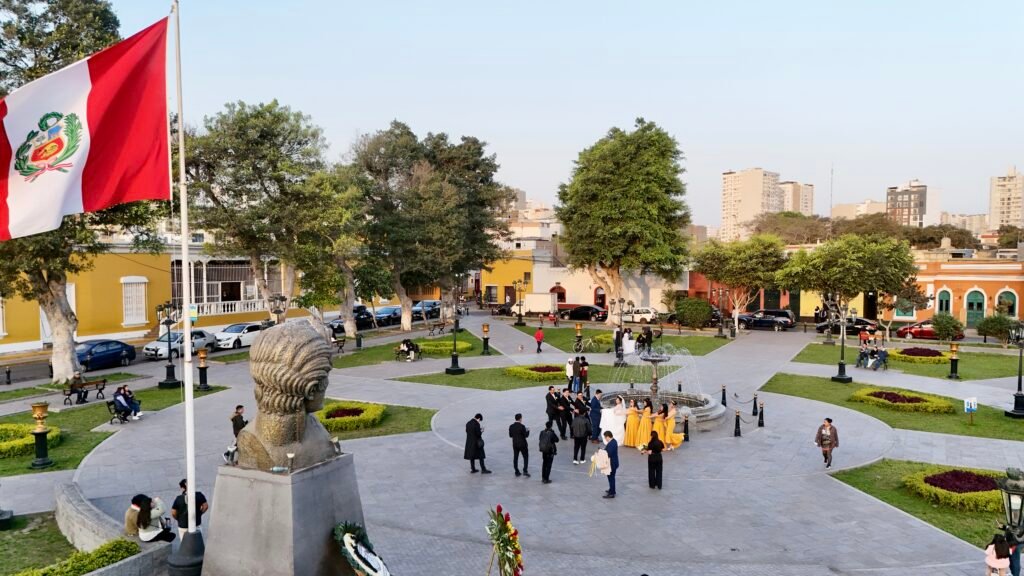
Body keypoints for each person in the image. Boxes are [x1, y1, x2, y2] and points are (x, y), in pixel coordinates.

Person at [508, 413, 530, 477]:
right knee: (525, 457)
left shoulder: (511, 426)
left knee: (515, 457)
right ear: (520, 418)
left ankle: (516, 471)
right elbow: (526, 435)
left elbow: (510, 435)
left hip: (515, 444)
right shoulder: (522, 426)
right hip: (522, 444)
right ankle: (525, 471)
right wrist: (528, 431)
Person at [602, 430, 619, 498]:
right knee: (610, 478)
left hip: (612, 464)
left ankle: (612, 493)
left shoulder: (612, 443)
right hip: (612, 463)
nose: (605, 439)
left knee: (611, 478)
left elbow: (608, 453)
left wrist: (602, 452)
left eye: (605, 437)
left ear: (608, 437)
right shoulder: (613, 442)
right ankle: (611, 489)